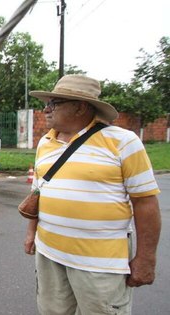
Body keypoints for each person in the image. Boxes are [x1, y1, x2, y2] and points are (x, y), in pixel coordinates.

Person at [23, 74, 161, 314]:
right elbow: (38, 190)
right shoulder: (45, 142)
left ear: (81, 107)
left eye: (54, 103)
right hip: (49, 255)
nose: (46, 109)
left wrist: (146, 259)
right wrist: (31, 233)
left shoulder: (123, 142)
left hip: (100, 264)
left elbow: (145, 202)